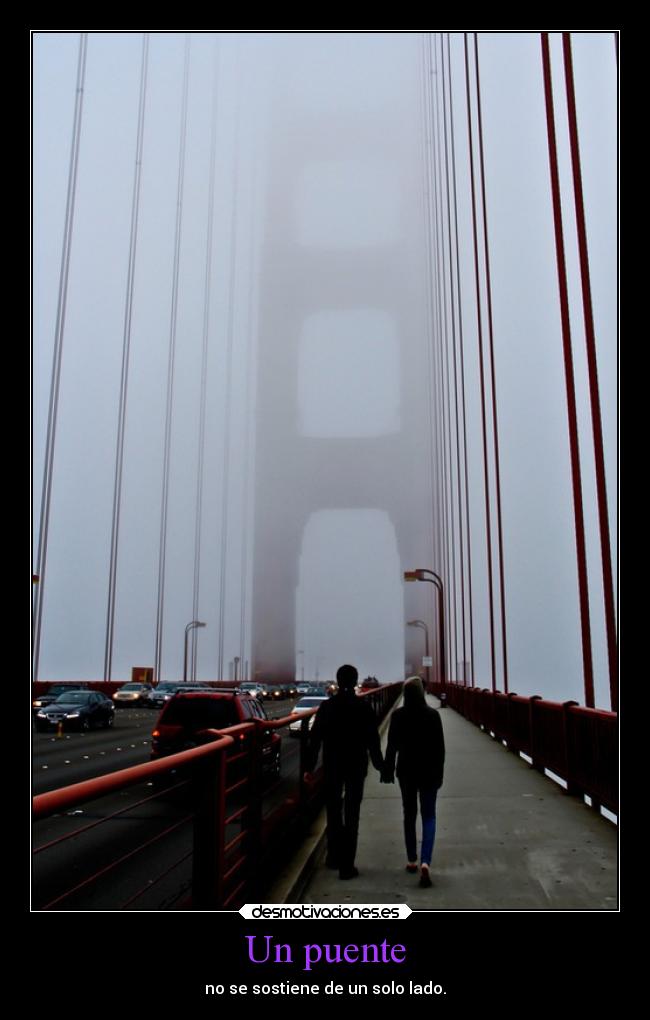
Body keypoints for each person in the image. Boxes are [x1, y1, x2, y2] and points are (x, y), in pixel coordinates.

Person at [303, 663, 384, 880]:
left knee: (334, 811)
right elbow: (373, 740)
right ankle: (347, 866)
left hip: (333, 766)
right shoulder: (364, 708)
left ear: (338, 682)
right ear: (355, 681)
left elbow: (315, 738)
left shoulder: (327, 707)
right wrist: (381, 766)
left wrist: (309, 768)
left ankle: (333, 857)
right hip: (356, 766)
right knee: (352, 813)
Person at [382, 676, 445, 888]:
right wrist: (439, 775)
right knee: (429, 816)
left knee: (409, 814)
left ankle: (411, 859)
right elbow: (440, 749)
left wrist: (387, 769)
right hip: (429, 772)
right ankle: (426, 861)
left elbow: (391, 746)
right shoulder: (433, 715)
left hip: (406, 772)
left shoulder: (398, 715)